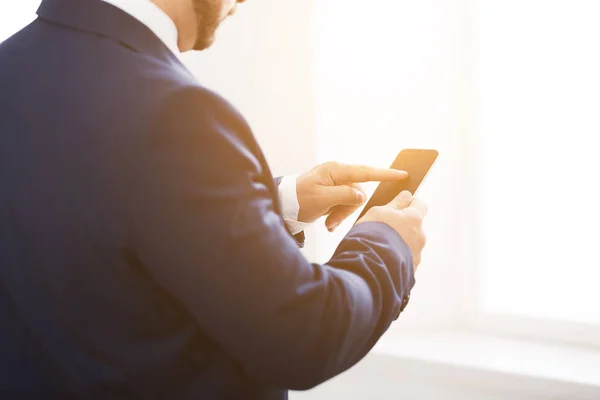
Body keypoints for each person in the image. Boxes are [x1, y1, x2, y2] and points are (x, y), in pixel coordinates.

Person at [0, 0, 428, 398]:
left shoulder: (12, 67)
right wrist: (387, 244)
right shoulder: (175, 109)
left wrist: (276, 201)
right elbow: (300, 335)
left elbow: (77, 222)